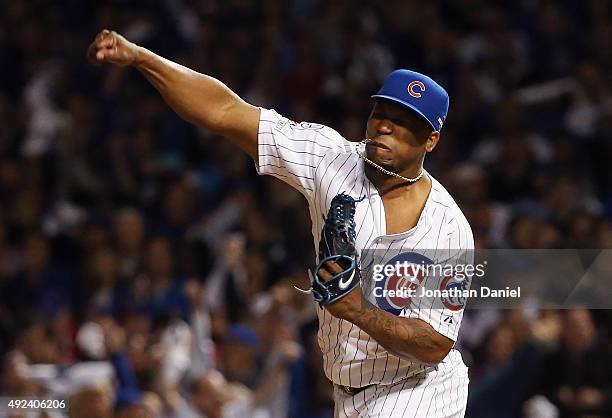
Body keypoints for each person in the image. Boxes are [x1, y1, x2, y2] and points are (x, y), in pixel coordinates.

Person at [87, 29, 473, 417]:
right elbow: (225, 111)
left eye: (405, 122)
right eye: (381, 114)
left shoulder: (447, 227)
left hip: (421, 389)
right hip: (350, 392)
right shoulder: (331, 159)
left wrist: (358, 311)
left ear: (431, 140)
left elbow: (435, 343)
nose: (385, 127)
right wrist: (141, 58)